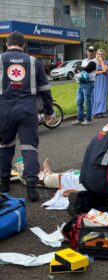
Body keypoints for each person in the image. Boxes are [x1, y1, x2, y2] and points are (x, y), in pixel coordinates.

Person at [0, 31, 54, 201]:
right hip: (27, 110)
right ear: (23, 46)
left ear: (7, 44)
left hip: (4, 110)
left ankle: (4, 183)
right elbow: (45, 88)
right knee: (29, 148)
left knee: (5, 146)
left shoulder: (1, 59)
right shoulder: (34, 61)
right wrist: (48, 111)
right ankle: (31, 188)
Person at [71, 46, 97, 126]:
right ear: (87, 52)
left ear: (95, 52)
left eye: (92, 51)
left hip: (88, 83)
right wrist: (81, 68)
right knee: (79, 101)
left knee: (87, 101)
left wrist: (80, 68)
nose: (90, 52)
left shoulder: (94, 61)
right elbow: (77, 69)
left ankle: (88, 119)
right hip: (81, 83)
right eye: (89, 51)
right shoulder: (84, 60)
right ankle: (80, 119)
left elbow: (86, 69)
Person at [92, 49, 108, 118]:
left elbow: (105, 69)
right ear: (96, 54)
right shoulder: (94, 62)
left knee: (103, 95)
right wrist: (102, 72)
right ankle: (95, 111)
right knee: (96, 95)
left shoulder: (106, 62)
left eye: (101, 54)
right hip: (96, 80)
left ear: (103, 55)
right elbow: (93, 73)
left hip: (104, 80)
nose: (100, 55)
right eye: (99, 54)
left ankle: (101, 111)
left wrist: (102, 61)